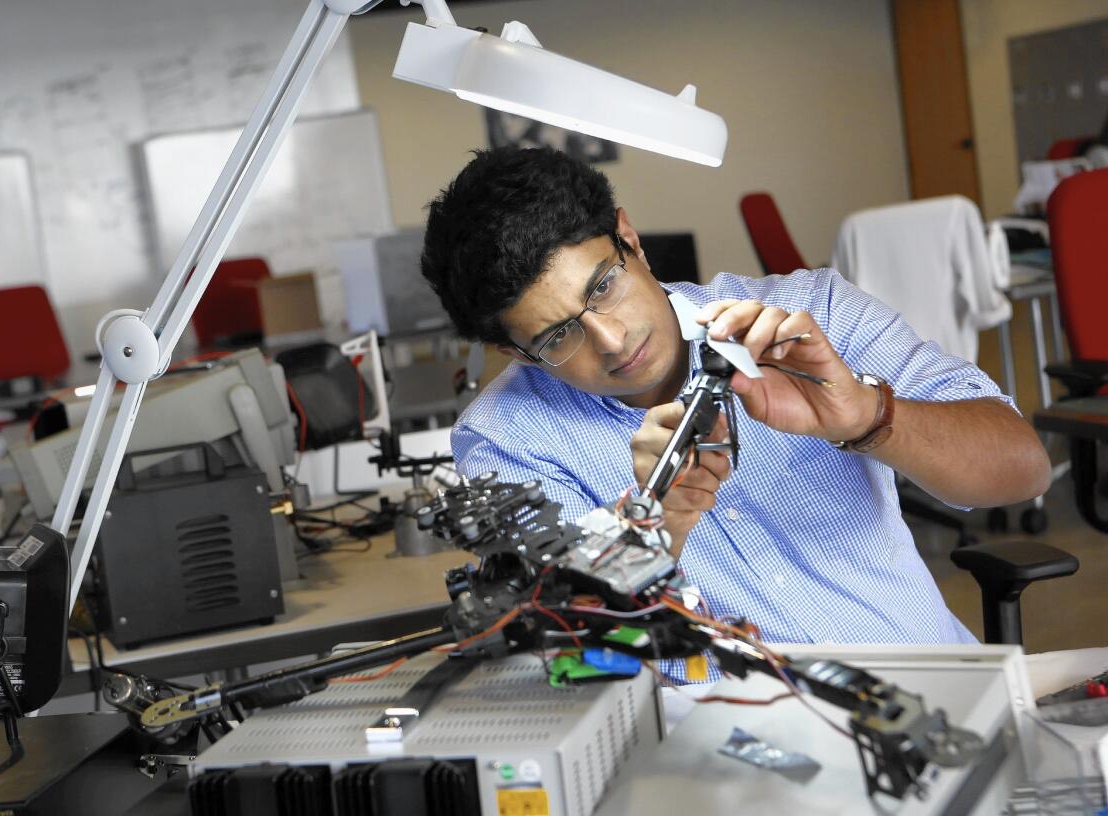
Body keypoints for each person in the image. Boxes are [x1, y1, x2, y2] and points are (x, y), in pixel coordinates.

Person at [420, 147, 1051, 679]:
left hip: (939, 692)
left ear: (628, 237)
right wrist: (652, 530)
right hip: (739, 770)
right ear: (512, 351)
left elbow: (1023, 471)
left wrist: (866, 416)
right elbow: (565, 657)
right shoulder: (506, 440)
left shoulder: (813, 313)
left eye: (602, 286)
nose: (611, 343)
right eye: (559, 336)